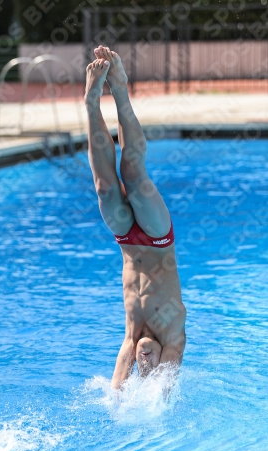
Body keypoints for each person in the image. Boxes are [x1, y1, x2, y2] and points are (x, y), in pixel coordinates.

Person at [84, 46, 186, 389]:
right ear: (162, 360)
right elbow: (166, 389)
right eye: (151, 364)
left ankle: (91, 101)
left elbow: (115, 389)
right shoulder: (173, 334)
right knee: (132, 172)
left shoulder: (131, 340)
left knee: (103, 189)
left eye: (139, 366)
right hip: (158, 238)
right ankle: (121, 87)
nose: (144, 361)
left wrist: (119, 396)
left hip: (126, 239)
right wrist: (160, 393)